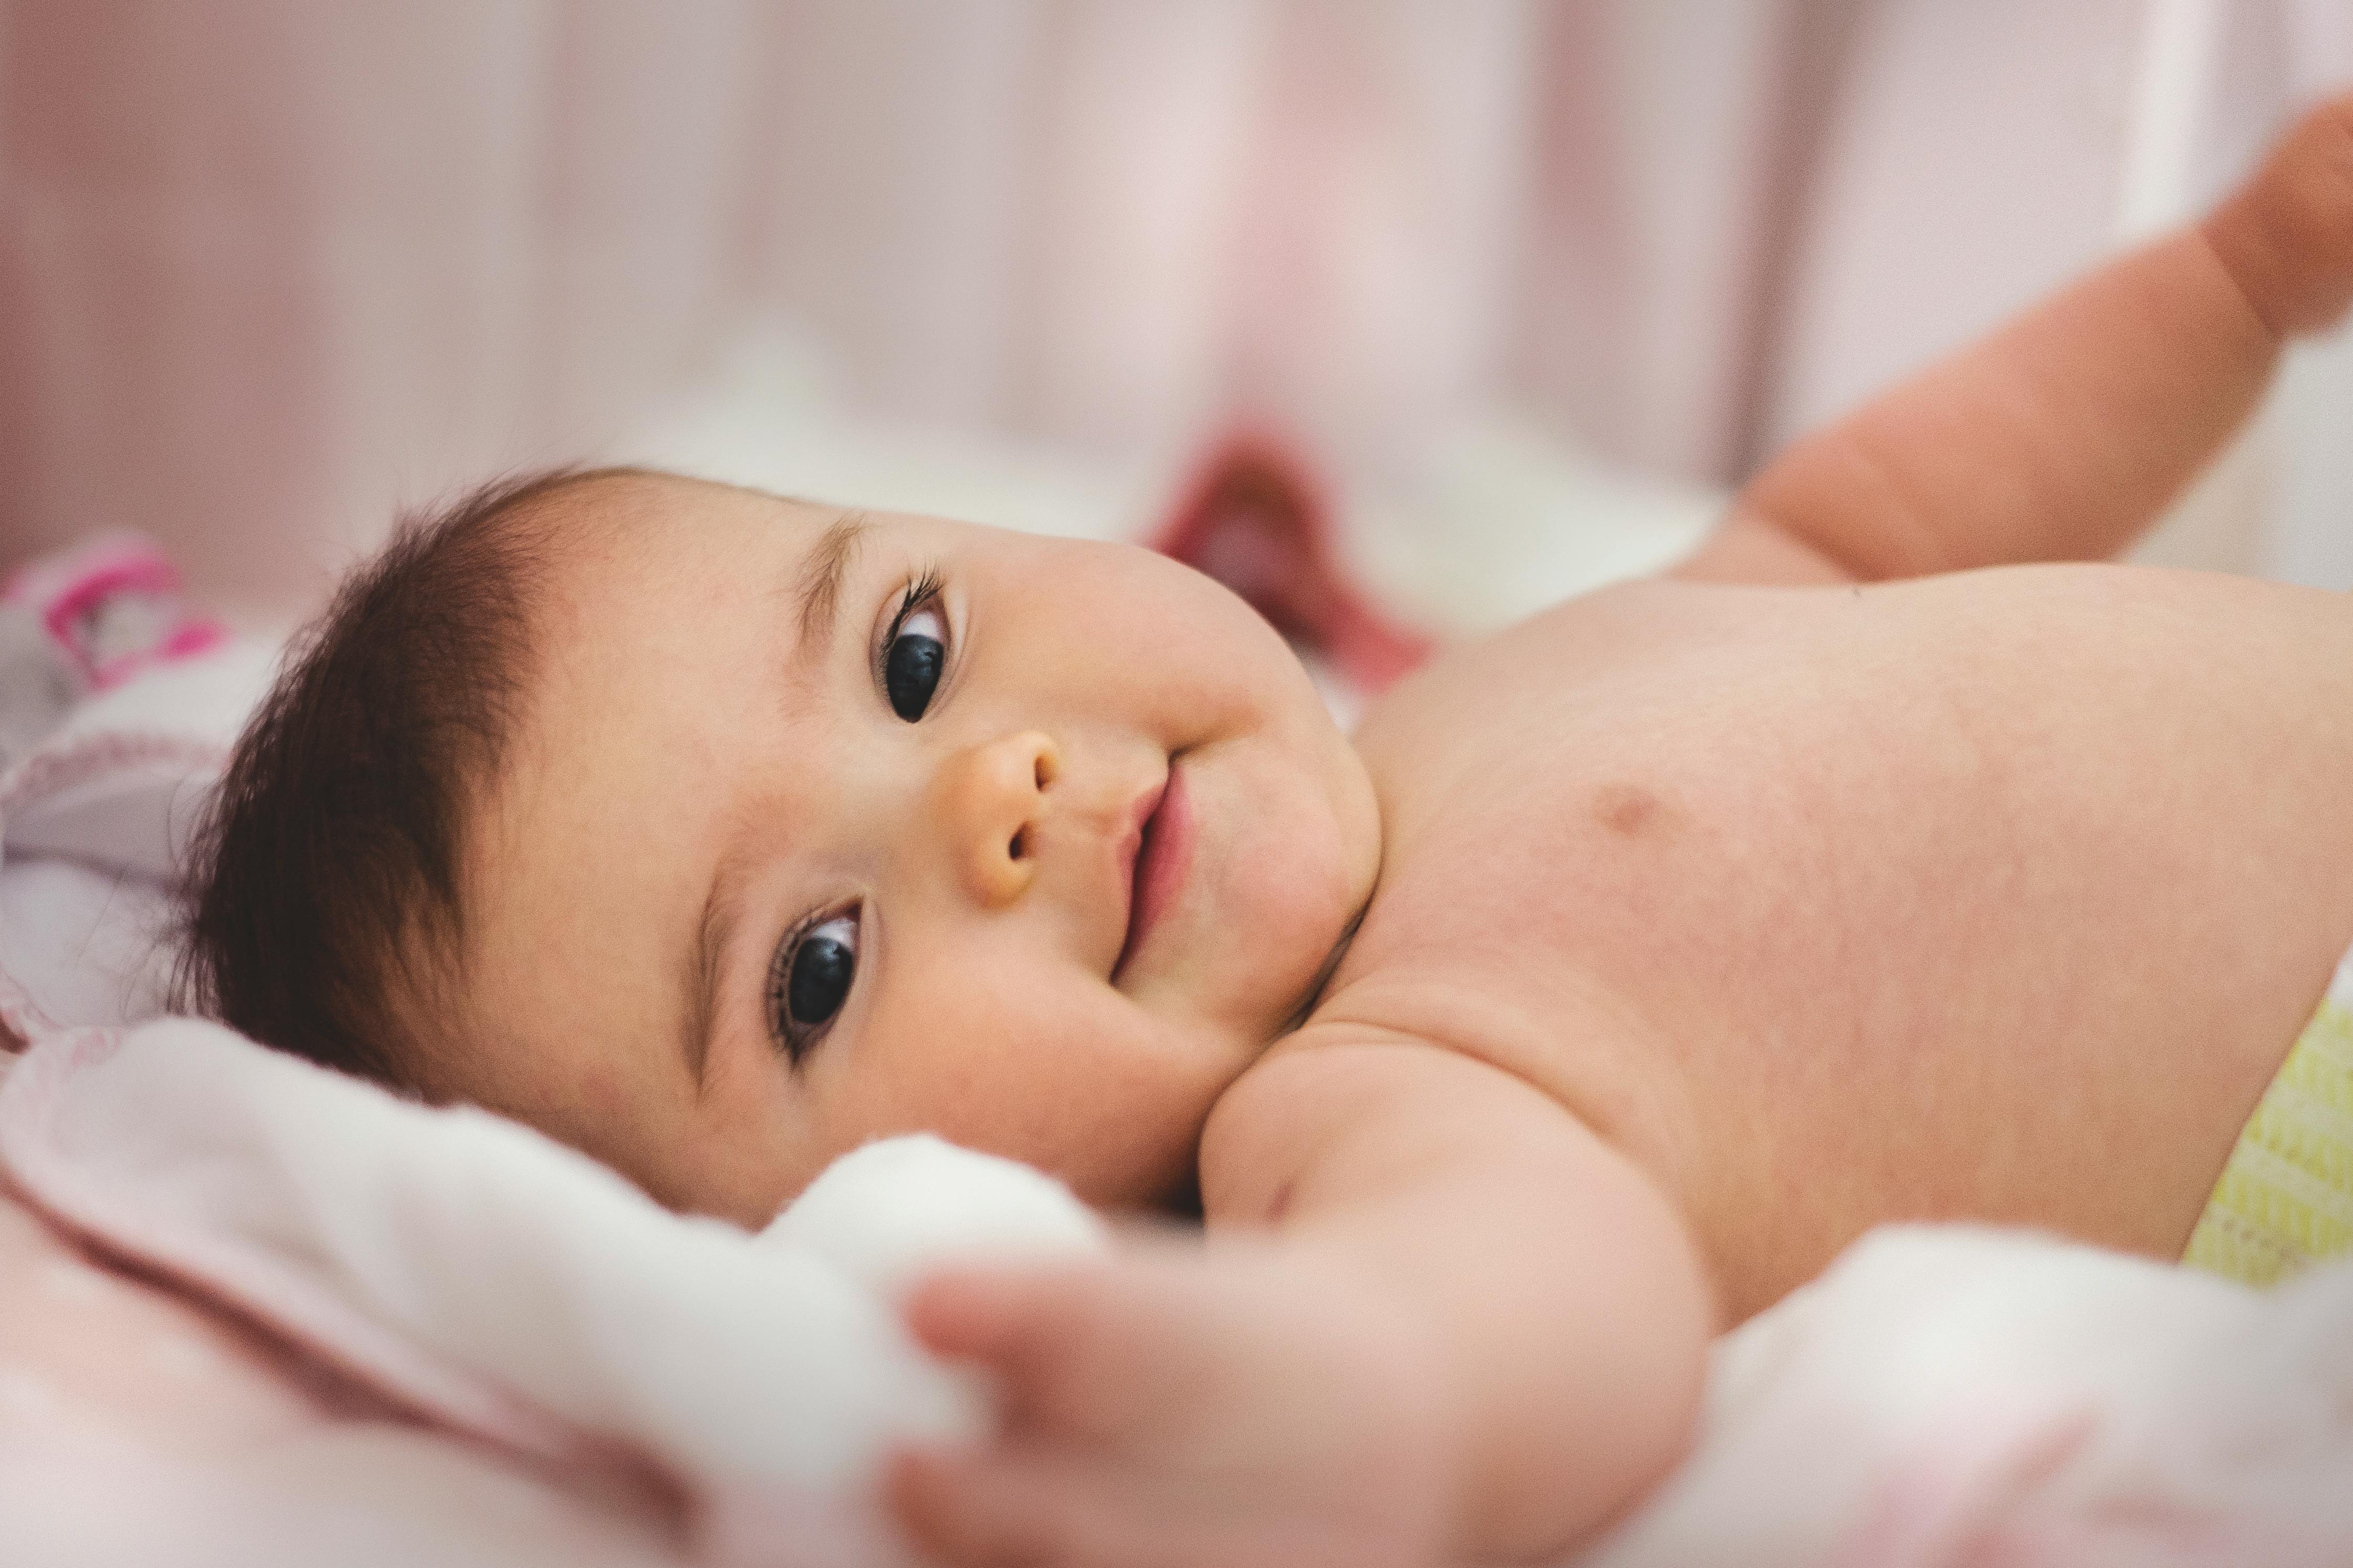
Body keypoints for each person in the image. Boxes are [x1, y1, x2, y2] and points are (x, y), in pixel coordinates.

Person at [183, 93, 2353, 1564]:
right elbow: (1536, 1298)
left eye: (914, 650)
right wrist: (1370, 1398)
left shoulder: (1472, 698)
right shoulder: (1357, 1095)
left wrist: (2237, 283)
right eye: (814, 969)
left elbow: (1866, 520)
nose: (985, 797)